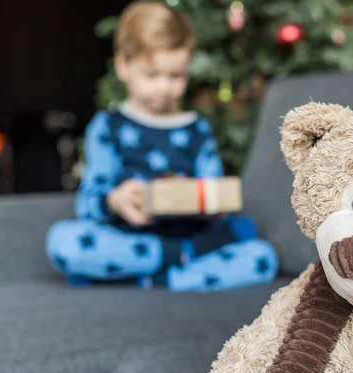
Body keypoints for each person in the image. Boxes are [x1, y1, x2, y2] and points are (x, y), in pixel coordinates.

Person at [45, 1, 278, 291]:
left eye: (175, 76)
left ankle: (155, 277)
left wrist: (213, 205)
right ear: (123, 66)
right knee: (64, 241)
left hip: (191, 237)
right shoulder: (108, 126)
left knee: (261, 257)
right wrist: (115, 201)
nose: (164, 88)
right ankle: (173, 263)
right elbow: (88, 203)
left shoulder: (197, 129)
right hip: (132, 241)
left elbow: (216, 193)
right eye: (152, 75)